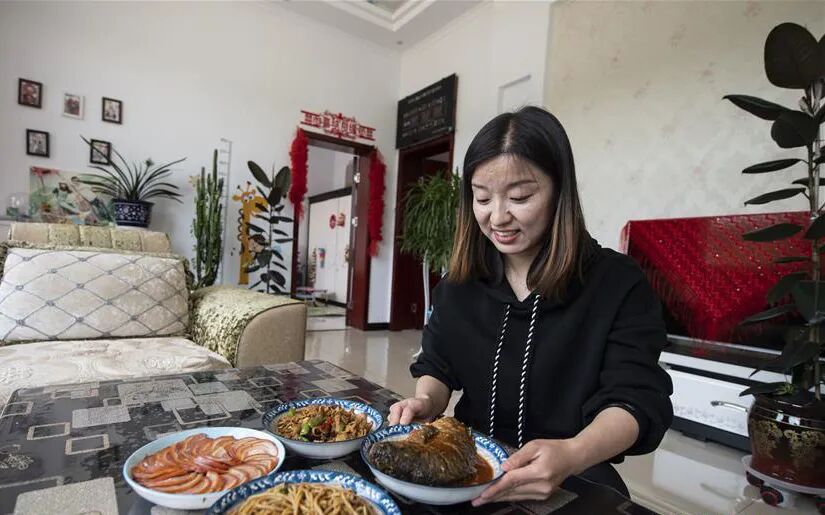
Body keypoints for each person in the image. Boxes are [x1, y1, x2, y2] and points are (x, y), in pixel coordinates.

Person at [388, 106, 673, 505]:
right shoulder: (459, 284)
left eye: (520, 197)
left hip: (576, 471)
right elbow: (438, 366)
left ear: (559, 190)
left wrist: (573, 453)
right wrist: (427, 401)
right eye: (482, 197)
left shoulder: (616, 283)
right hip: (469, 465)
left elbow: (636, 399)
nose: (497, 217)